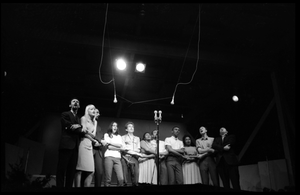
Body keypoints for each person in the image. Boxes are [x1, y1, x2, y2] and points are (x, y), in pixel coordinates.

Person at [56, 98, 85, 188]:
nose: (76, 102)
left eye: (77, 102)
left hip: (75, 147)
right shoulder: (65, 114)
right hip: (66, 145)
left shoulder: (79, 119)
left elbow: (81, 131)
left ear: (79, 106)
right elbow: (67, 125)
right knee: (61, 169)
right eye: (74, 101)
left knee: (71, 171)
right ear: (70, 105)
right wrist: (76, 127)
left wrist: (79, 126)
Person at [75, 104, 100, 187]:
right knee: (79, 170)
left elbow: (92, 134)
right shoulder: (83, 118)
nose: (93, 110)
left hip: (90, 146)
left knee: (91, 171)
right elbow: (83, 133)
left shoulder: (95, 122)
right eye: (91, 109)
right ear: (87, 111)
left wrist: (90, 136)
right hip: (82, 144)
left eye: (94, 109)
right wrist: (92, 138)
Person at [103, 121, 124, 187]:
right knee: (108, 178)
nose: (115, 127)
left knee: (121, 179)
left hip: (118, 158)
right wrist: (118, 146)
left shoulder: (119, 136)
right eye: (113, 125)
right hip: (109, 157)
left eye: (116, 126)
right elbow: (108, 146)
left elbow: (120, 145)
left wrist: (111, 143)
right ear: (111, 127)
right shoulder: (106, 135)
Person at [121, 121, 141, 186]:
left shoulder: (137, 138)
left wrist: (131, 150)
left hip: (134, 157)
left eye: (132, 127)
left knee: (135, 177)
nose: (131, 128)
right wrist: (132, 150)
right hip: (125, 157)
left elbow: (138, 149)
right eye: (129, 126)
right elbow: (124, 148)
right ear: (126, 129)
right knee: (124, 177)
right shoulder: (123, 137)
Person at [92, 108, 107, 187]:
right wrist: (98, 141)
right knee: (88, 172)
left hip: (98, 151)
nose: (99, 114)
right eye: (97, 112)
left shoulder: (99, 127)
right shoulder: (87, 123)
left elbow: (101, 138)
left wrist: (101, 143)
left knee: (99, 172)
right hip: (89, 149)